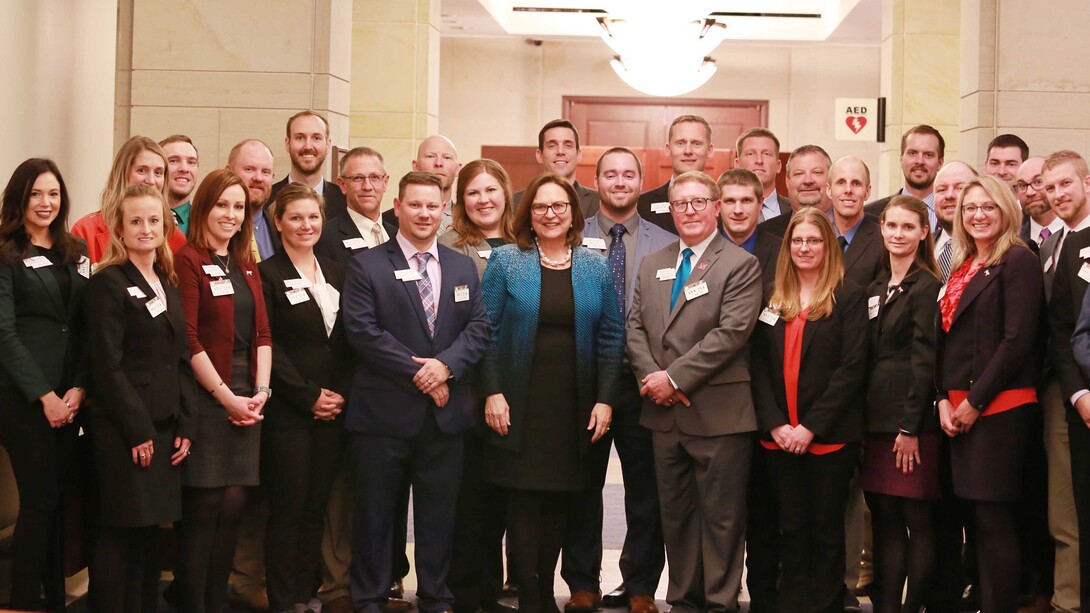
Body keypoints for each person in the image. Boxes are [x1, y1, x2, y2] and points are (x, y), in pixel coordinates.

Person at [342, 171, 491, 613]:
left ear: (444, 208)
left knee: (439, 516)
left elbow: (480, 327)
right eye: (415, 205)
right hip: (382, 416)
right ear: (398, 207)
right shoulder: (367, 264)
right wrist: (423, 376)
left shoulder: (462, 265)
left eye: (433, 206)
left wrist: (445, 367)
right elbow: (363, 333)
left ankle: (436, 596)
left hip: (445, 421)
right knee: (375, 515)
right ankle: (369, 597)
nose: (425, 213)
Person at [480, 173, 623, 613]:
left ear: (573, 213)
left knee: (562, 499)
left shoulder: (594, 266)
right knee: (522, 502)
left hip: (573, 406)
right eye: (540, 207)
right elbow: (484, 331)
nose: (549, 214)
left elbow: (612, 336)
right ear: (529, 214)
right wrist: (493, 392)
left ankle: (546, 586)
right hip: (518, 403)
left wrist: (605, 398)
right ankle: (532, 596)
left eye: (559, 206)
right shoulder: (506, 261)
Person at [626, 170, 762, 613]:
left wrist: (674, 378)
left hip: (719, 415)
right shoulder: (654, 262)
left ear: (716, 206)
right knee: (677, 517)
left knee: (722, 520)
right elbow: (635, 329)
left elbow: (731, 334)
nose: (689, 211)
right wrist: (653, 380)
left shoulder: (740, 263)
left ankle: (721, 602)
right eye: (680, 204)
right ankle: (683, 600)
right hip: (664, 417)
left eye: (699, 202)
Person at [569, 148, 674, 613]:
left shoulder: (666, 241)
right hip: (584, 384)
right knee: (581, 487)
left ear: (640, 180)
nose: (619, 181)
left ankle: (640, 587)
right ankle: (582, 583)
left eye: (628, 174)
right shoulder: (573, 237)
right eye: (609, 174)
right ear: (597, 181)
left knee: (645, 491)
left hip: (642, 383)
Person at [86, 183, 198, 612]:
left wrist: (186, 424)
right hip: (125, 431)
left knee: (150, 533)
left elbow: (180, 358)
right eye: (136, 221)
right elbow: (106, 367)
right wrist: (137, 430)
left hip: (166, 426)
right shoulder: (108, 283)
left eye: (154, 220)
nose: (146, 229)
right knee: (121, 532)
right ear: (119, 227)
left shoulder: (166, 282)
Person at [751, 208, 868, 613]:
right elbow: (758, 367)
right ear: (788, 246)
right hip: (778, 437)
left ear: (828, 246)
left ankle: (825, 604)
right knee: (791, 528)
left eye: (814, 240)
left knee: (826, 530)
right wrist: (777, 424)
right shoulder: (770, 295)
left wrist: (810, 427)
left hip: (829, 438)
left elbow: (852, 369)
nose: (804, 247)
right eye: (797, 240)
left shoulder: (848, 295)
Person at [935, 174, 1044, 613]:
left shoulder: (1017, 260)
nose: (977, 215)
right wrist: (941, 397)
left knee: (994, 519)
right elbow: (945, 338)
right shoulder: (964, 264)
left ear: (1006, 211)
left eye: (988, 207)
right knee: (974, 519)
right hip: (956, 406)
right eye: (969, 208)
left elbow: (1017, 340)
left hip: (998, 408)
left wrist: (974, 403)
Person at [173, 168, 273, 613]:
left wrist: (261, 391)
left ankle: (217, 602)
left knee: (234, 504)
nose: (230, 215)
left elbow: (265, 333)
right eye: (222, 205)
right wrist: (225, 398)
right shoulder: (188, 259)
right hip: (208, 395)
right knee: (205, 508)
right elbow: (187, 338)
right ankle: (193, 603)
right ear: (203, 208)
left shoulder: (246, 262)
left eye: (238, 207)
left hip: (248, 395)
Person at [259, 183, 352, 613]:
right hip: (289, 412)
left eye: (312, 217)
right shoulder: (266, 276)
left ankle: (303, 593)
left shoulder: (337, 271)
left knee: (317, 507)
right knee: (288, 509)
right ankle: (282, 600)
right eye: (295, 217)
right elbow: (267, 345)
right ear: (278, 223)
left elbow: (350, 341)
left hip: (333, 411)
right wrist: (308, 395)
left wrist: (338, 396)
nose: (305, 225)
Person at [0, 158, 89, 611]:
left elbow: (84, 325)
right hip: (24, 398)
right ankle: (20, 600)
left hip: (71, 394)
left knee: (61, 500)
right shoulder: (5, 253)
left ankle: (54, 597)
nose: (45, 202)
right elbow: (4, 333)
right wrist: (45, 396)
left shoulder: (76, 251)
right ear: (20, 198)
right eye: (36, 193)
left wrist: (77, 389)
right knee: (39, 499)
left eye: (53, 193)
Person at [439, 158, 518, 613]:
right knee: (467, 495)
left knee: (504, 494)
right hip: (463, 389)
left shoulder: (525, 244)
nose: (483, 200)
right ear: (460, 201)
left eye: (491, 190)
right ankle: (466, 590)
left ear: (505, 193)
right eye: (473, 192)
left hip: (519, 386)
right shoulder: (448, 247)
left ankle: (496, 586)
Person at [861, 195, 942, 613]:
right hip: (875, 421)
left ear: (924, 232)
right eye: (892, 226)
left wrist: (910, 428)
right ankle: (888, 606)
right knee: (885, 518)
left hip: (910, 425)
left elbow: (925, 361)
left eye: (908, 227)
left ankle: (914, 608)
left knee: (917, 519)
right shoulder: (877, 286)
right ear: (882, 229)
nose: (898, 234)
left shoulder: (928, 286)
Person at [72, 136, 187, 263]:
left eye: (158, 173)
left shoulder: (174, 236)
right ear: (122, 173)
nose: (151, 181)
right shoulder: (85, 231)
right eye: (142, 170)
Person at [637, 114, 714, 234]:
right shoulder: (642, 204)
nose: (688, 151)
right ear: (668, 149)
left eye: (696, 143)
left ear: (709, 150)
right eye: (680, 143)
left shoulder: (726, 203)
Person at [267, 110, 348, 221]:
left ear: (328, 145)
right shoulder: (267, 200)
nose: (308, 146)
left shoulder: (346, 201)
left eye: (316, 138)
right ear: (287, 143)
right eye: (300, 138)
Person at [513, 120, 601, 218]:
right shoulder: (515, 203)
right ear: (539, 155)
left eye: (568, 146)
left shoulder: (599, 201)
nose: (560, 151)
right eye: (552, 146)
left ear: (579, 154)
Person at [864, 125, 945, 224]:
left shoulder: (954, 214)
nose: (920, 161)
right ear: (901, 159)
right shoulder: (871, 214)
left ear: (940, 163)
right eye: (912, 153)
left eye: (928, 155)